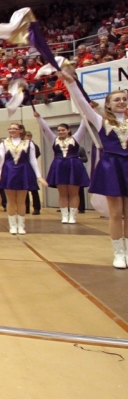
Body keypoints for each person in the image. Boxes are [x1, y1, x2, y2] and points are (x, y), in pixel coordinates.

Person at [60, 73, 128, 268]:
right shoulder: (101, 121)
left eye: (124, 99)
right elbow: (82, 103)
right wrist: (71, 83)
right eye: (117, 99)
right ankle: (118, 253)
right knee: (116, 213)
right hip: (112, 166)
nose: (121, 102)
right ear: (108, 105)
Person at [33, 111, 90, 224]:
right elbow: (46, 129)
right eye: (59, 130)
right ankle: (64, 215)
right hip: (59, 166)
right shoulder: (53, 139)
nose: (60, 132)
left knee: (74, 193)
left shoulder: (75, 138)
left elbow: (83, 126)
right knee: (63, 193)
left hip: (73, 165)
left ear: (68, 130)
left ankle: (73, 216)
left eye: (63, 130)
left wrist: (85, 113)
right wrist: (39, 118)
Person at [0, 123, 47, 235]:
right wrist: (0, 173)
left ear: (21, 130)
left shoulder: (28, 143)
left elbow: (33, 160)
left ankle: (21, 225)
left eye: (14, 129)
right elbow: (1, 160)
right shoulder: (4, 143)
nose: (12, 130)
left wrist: (38, 176)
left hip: (23, 171)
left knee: (21, 201)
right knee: (11, 200)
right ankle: (12, 225)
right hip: (8, 171)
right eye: (10, 128)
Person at [24, 131, 42, 215]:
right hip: (23, 169)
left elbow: (35, 156)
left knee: (33, 189)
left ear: (30, 137)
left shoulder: (34, 146)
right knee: (24, 189)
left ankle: (37, 208)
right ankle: (26, 207)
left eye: (27, 136)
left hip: (31, 168)